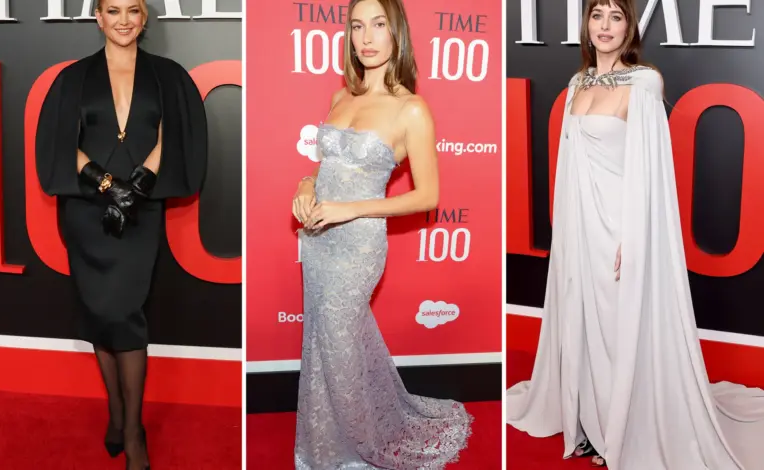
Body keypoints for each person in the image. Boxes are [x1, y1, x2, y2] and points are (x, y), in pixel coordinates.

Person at [506, 1, 764, 469]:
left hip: (621, 227)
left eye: (616, 16)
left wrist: (635, 234)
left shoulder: (645, 82)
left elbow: (651, 169)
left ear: (629, 28)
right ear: (586, 24)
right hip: (580, 227)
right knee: (583, 322)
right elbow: (569, 167)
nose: (605, 26)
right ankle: (588, 421)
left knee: (618, 327)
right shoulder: (578, 82)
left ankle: (621, 430)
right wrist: (565, 229)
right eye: (597, 15)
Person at [290, 0, 473, 467]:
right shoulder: (340, 97)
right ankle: (326, 444)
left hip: (358, 246)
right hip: (318, 239)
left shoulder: (411, 109)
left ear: (396, 34)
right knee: (323, 341)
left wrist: (349, 209)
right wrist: (306, 185)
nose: (366, 37)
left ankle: (359, 448)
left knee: (340, 343)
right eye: (357, 26)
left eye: (378, 25)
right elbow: (326, 166)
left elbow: (427, 196)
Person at [35, 1, 207, 468]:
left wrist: (138, 188)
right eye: (114, 10)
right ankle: (116, 412)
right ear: (98, 17)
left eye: (133, 10)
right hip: (87, 212)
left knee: (125, 313)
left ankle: (133, 431)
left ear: (145, 17)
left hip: (140, 212)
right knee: (99, 312)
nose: (124, 20)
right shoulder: (73, 78)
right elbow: (59, 142)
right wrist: (109, 186)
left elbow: (174, 136)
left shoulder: (167, 76)